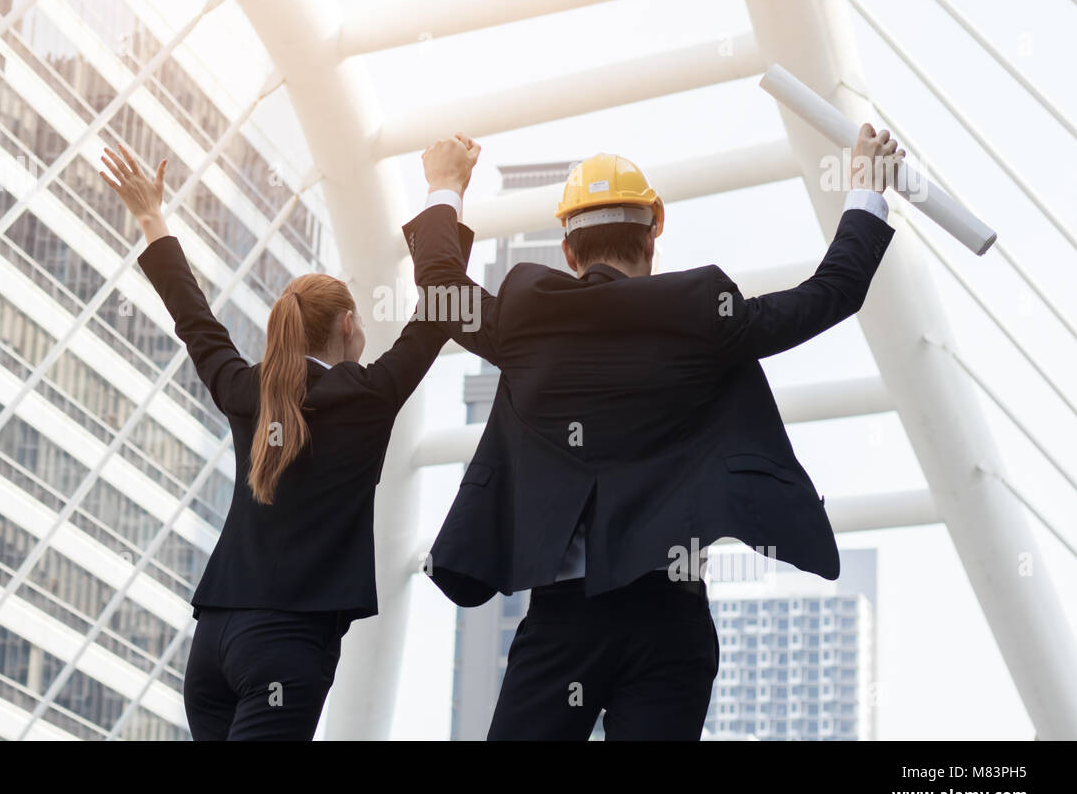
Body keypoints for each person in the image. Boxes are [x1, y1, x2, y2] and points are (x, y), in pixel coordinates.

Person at [404, 126, 901, 740]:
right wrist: (865, 192)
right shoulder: (701, 315)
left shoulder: (526, 315)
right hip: (670, 619)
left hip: (563, 624)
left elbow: (440, 287)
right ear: (652, 234)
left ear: (567, 250)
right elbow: (831, 292)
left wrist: (444, 185)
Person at [102, 143, 470, 740]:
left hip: (213, 645)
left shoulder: (246, 390)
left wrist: (152, 219)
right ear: (348, 325)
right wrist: (446, 188)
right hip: (285, 647)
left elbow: (194, 319)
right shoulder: (367, 398)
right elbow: (441, 310)